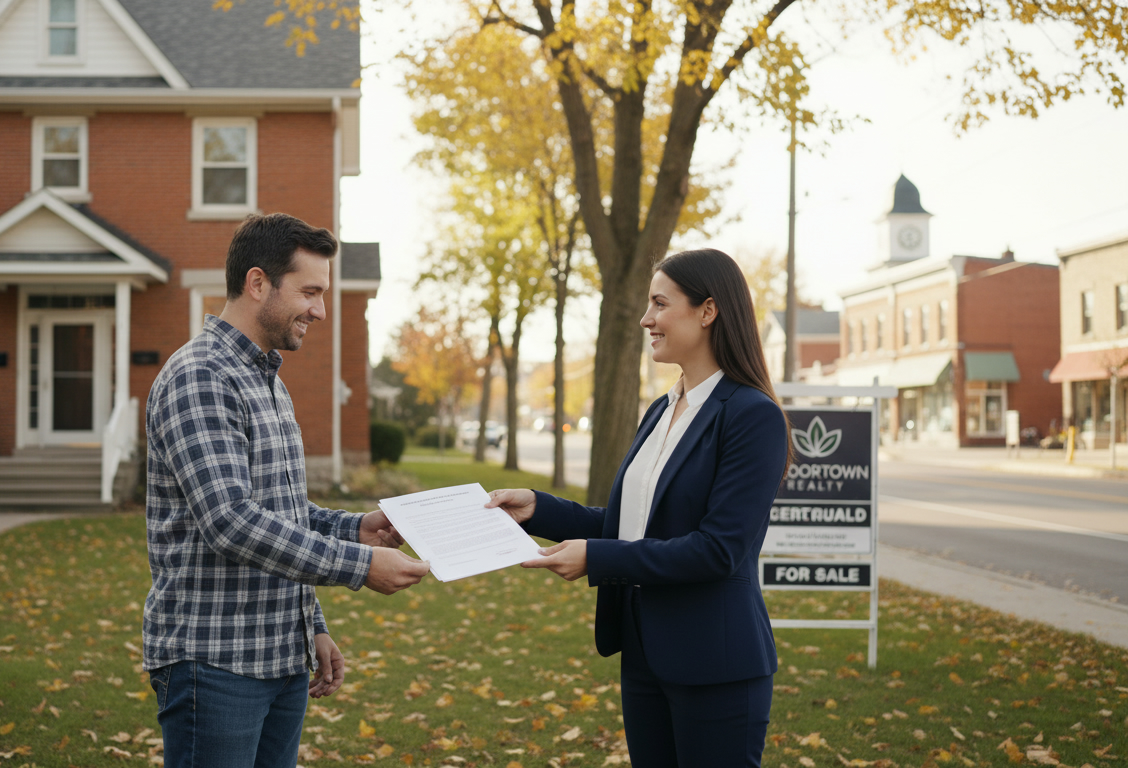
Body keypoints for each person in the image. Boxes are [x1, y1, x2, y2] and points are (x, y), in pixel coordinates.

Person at [143, 213, 431, 768]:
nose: (320, 310)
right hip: (216, 661)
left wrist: (353, 537)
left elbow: (283, 513)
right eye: (310, 292)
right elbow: (232, 521)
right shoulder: (201, 375)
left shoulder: (266, 379)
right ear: (258, 284)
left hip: (280, 657)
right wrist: (358, 566)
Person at [487, 248, 793, 767]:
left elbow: (719, 550)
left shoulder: (750, 415)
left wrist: (597, 560)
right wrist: (537, 509)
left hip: (716, 665)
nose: (647, 319)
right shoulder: (661, 408)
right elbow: (630, 524)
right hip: (646, 655)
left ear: (708, 310)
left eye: (659, 303)